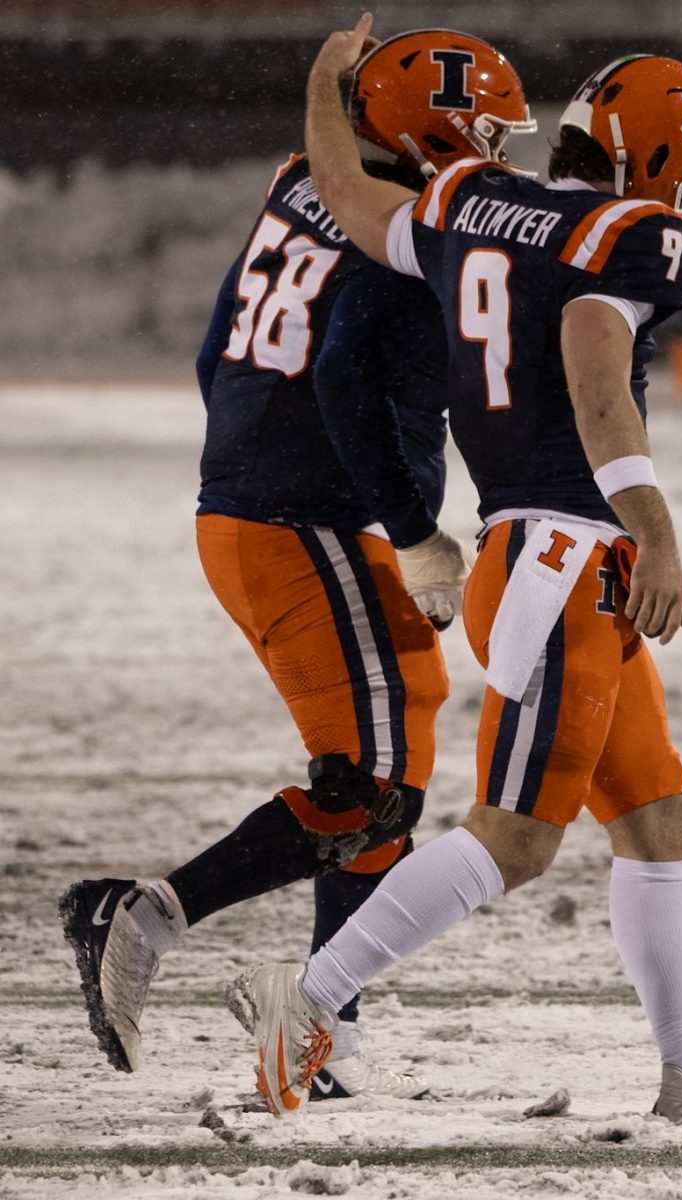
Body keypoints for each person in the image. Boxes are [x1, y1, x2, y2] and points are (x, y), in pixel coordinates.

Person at [231, 16, 682, 1123]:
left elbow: (349, 195)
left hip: (534, 555)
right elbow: (596, 383)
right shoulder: (629, 234)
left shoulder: (465, 203)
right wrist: (654, 527)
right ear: (652, 157)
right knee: (516, 837)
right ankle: (308, 996)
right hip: (566, 557)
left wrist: (325, 88)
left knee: (654, 815)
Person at [57, 27, 536, 1103]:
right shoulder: (403, 233)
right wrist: (412, 527)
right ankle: (141, 914)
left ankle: (331, 1028)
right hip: (304, 514)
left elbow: (215, 343)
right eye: (488, 130)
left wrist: (245, 455)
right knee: (368, 789)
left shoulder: (303, 181)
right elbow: (343, 388)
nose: (499, 151)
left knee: (390, 759)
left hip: (263, 503)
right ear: (435, 127)